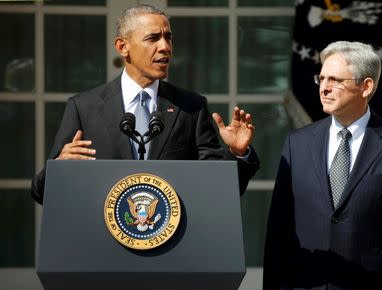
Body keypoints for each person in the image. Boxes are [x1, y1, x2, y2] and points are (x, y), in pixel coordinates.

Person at [31, 4, 260, 204]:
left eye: (168, 37)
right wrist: (59, 168)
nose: (165, 47)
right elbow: (42, 193)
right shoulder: (83, 107)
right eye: (153, 38)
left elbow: (219, 189)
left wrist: (238, 153)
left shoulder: (191, 107)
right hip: (102, 246)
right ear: (123, 47)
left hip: (171, 246)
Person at [263, 41, 382, 290]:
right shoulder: (297, 143)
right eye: (322, 78)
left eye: (335, 80)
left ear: (366, 86)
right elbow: (278, 233)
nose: (324, 88)